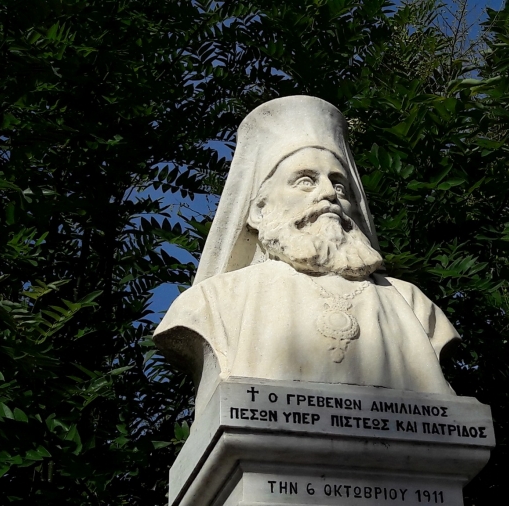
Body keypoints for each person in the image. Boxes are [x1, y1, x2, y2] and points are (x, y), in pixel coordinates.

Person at [154, 96, 459, 409]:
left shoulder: (413, 304)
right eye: (305, 181)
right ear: (258, 212)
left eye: (339, 186)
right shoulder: (212, 303)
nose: (328, 194)